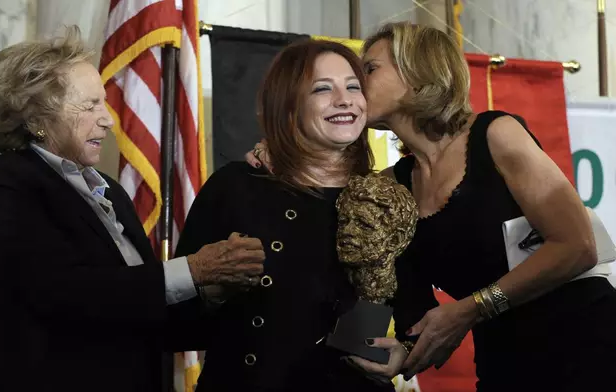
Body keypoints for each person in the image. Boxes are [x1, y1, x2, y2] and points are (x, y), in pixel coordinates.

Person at [247, 22, 616, 392]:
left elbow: (577, 247)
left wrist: (470, 309)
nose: (357, 82)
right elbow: (407, 308)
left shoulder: (496, 134)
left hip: (587, 343)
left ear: (417, 70)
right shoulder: (388, 188)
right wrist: (402, 353)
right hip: (504, 361)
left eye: (369, 69)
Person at [0, 26, 265, 392]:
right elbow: (63, 294)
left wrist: (209, 291)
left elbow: (140, 310)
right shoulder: (3, 182)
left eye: (104, 102)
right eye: (90, 104)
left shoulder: (110, 191)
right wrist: (193, 269)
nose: (108, 118)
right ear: (36, 119)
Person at [174, 39, 399, 392]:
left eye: (353, 87)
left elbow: (407, 311)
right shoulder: (235, 185)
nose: (344, 99)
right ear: (289, 106)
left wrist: (405, 351)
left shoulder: (385, 197)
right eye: (323, 89)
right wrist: (215, 288)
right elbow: (177, 323)